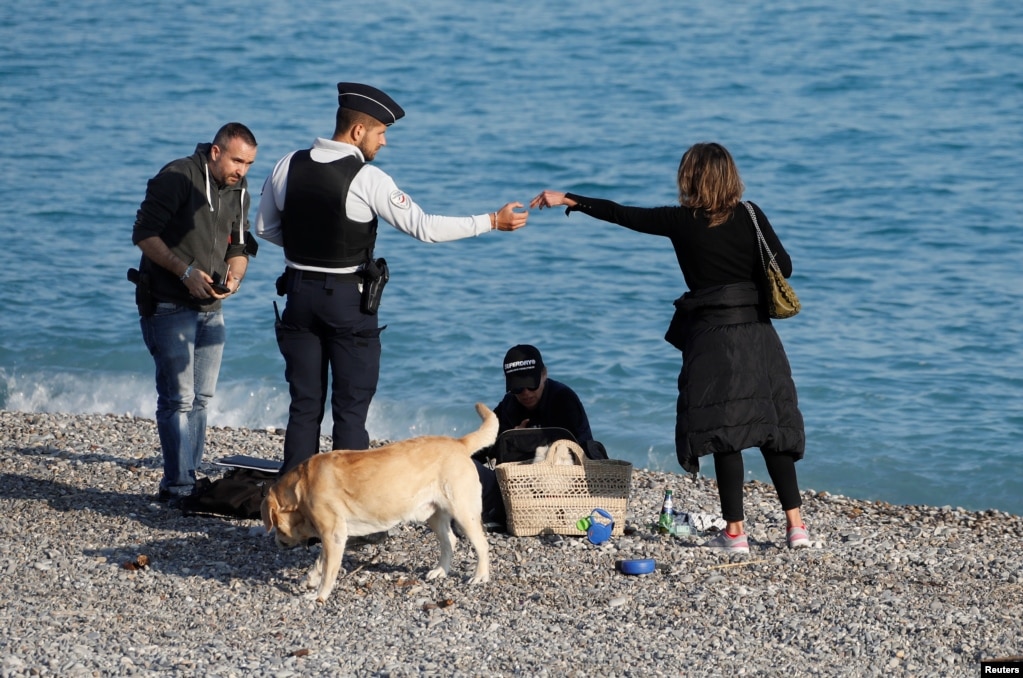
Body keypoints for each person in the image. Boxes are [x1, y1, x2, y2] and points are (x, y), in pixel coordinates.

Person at [530, 142, 808, 553]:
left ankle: (736, 534)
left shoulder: (682, 221)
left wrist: (571, 198)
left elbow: (625, 215)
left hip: (712, 338)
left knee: (726, 433)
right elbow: (783, 267)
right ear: (730, 175)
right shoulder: (751, 214)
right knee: (771, 430)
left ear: (690, 178)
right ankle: (796, 529)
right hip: (757, 335)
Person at [256, 82, 528, 476]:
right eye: (381, 133)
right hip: (347, 303)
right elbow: (425, 227)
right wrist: (491, 221)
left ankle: (294, 513)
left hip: (298, 295)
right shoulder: (368, 179)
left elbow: (265, 228)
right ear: (357, 132)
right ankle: (349, 510)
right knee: (349, 410)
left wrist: (305, 252)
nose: (383, 143)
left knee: (304, 406)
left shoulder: (286, 164)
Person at [131, 123, 259, 505]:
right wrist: (184, 272)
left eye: (250, 163)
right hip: (167, 302)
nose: (243, 170)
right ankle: (179, 485)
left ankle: (189, 476)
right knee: (177, 399)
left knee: (202, 397)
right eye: (238, 161)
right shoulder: (176, 176)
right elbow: (143, 234)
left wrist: (235, 276)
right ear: (216, 152)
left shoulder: (239, 189)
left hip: (211, 306)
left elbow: (240, 245)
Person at [475, 344, 604, 530]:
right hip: (514, 489)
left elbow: (574, 453)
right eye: (518, 388)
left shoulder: (563, 399)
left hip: (563, 487)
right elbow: (482, 446)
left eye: (531, 384)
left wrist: (521, 442)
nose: (526, 393)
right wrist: (509, 438)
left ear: (544, 374)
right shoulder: (509, 403)